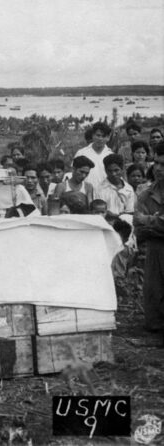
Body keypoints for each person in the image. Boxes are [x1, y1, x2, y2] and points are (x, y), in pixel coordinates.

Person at [133, 143, 164, 336]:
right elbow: (138, 227)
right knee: (154, 293)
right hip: (155, 250)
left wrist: (149, 221)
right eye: (157, 163)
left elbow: (144, 221)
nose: (159, 169)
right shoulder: (146, 194)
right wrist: (158, 222)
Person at [74, 122, 114, 191]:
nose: (100, 139)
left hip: (104, 194)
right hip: (84, 192)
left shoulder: (111, 155)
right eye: (98, 135)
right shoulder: (81, 153)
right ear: (93, 135)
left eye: (103, 136)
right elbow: (74, 173)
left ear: (108, 138)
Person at [95, 153, 136, 219]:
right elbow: (99, 211)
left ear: (122, 169)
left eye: (116, 170)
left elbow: (130, 212)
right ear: (105, 170)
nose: (113, 174)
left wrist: (117, 216)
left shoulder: (129, 189)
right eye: (109, 171)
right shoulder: (99, 189)